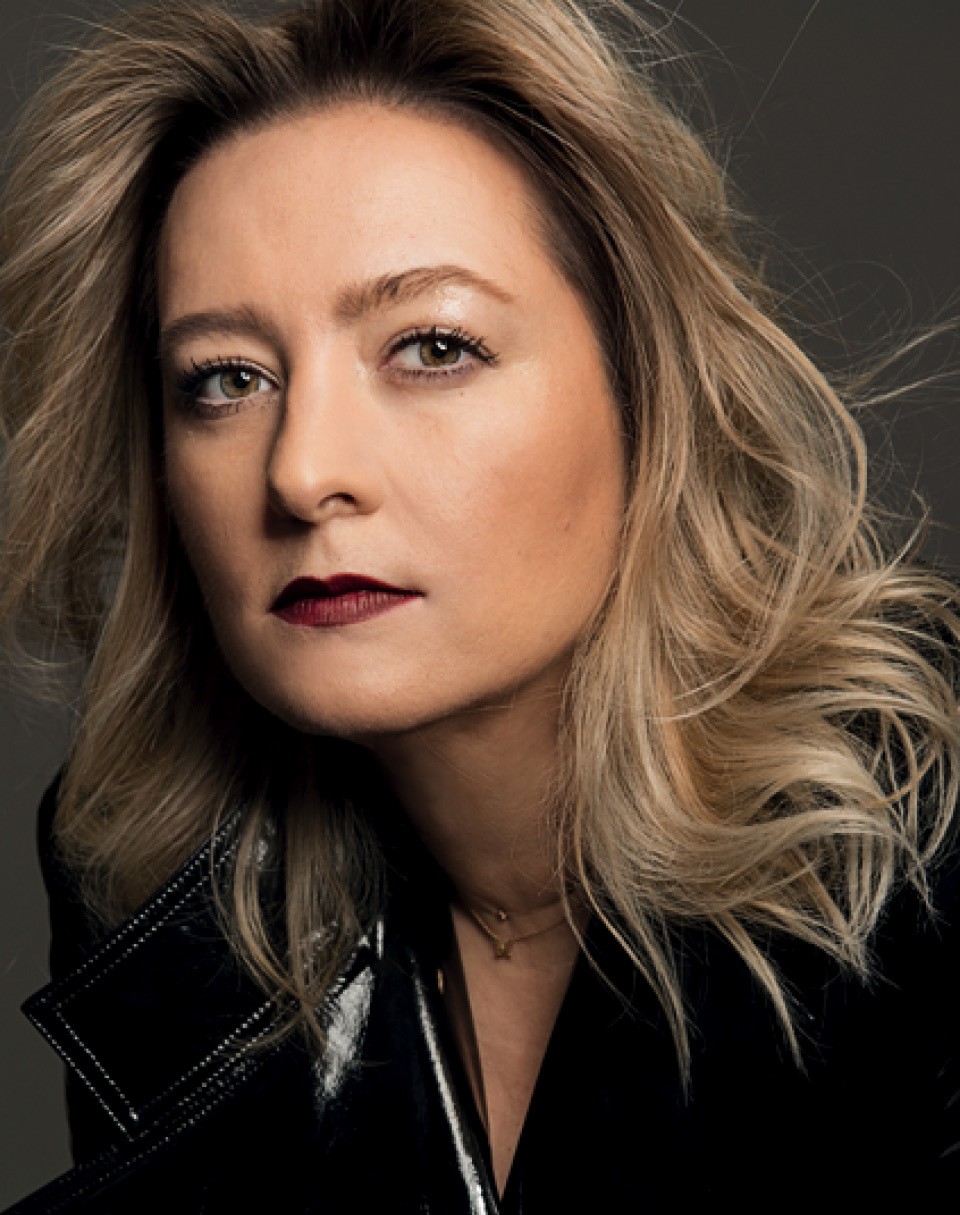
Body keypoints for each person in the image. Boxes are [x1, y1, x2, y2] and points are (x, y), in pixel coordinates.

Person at [1, 0, 958, 1209]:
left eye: (433, 349)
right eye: (227, 378)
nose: (303, 472)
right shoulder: (168, 902)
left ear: (644, 389)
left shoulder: (928, 847)